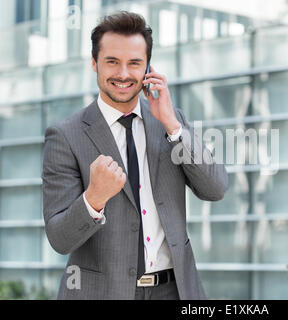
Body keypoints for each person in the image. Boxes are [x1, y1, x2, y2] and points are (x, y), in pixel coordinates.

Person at [41, 11, 228, 300]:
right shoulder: (65, 136)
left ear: (148, 68)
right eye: (112, 61)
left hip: (174, 291)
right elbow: (59, 238)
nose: (124, 74)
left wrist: (173, 127)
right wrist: (94, 198)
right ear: (94, 63)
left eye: (134, 63)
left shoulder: (170, 122)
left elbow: (215, 189)